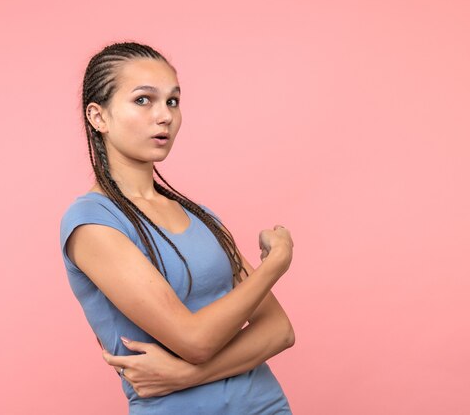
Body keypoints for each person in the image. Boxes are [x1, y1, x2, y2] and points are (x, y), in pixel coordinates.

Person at [59, 41, 295, 414]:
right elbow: (195, 341)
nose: (165, 115)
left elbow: (279, 331)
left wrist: (184, 376)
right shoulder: (92, 224)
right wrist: (275, 264)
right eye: (143, 100)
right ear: (98, 117)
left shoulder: (202, 216)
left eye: (172, 101)